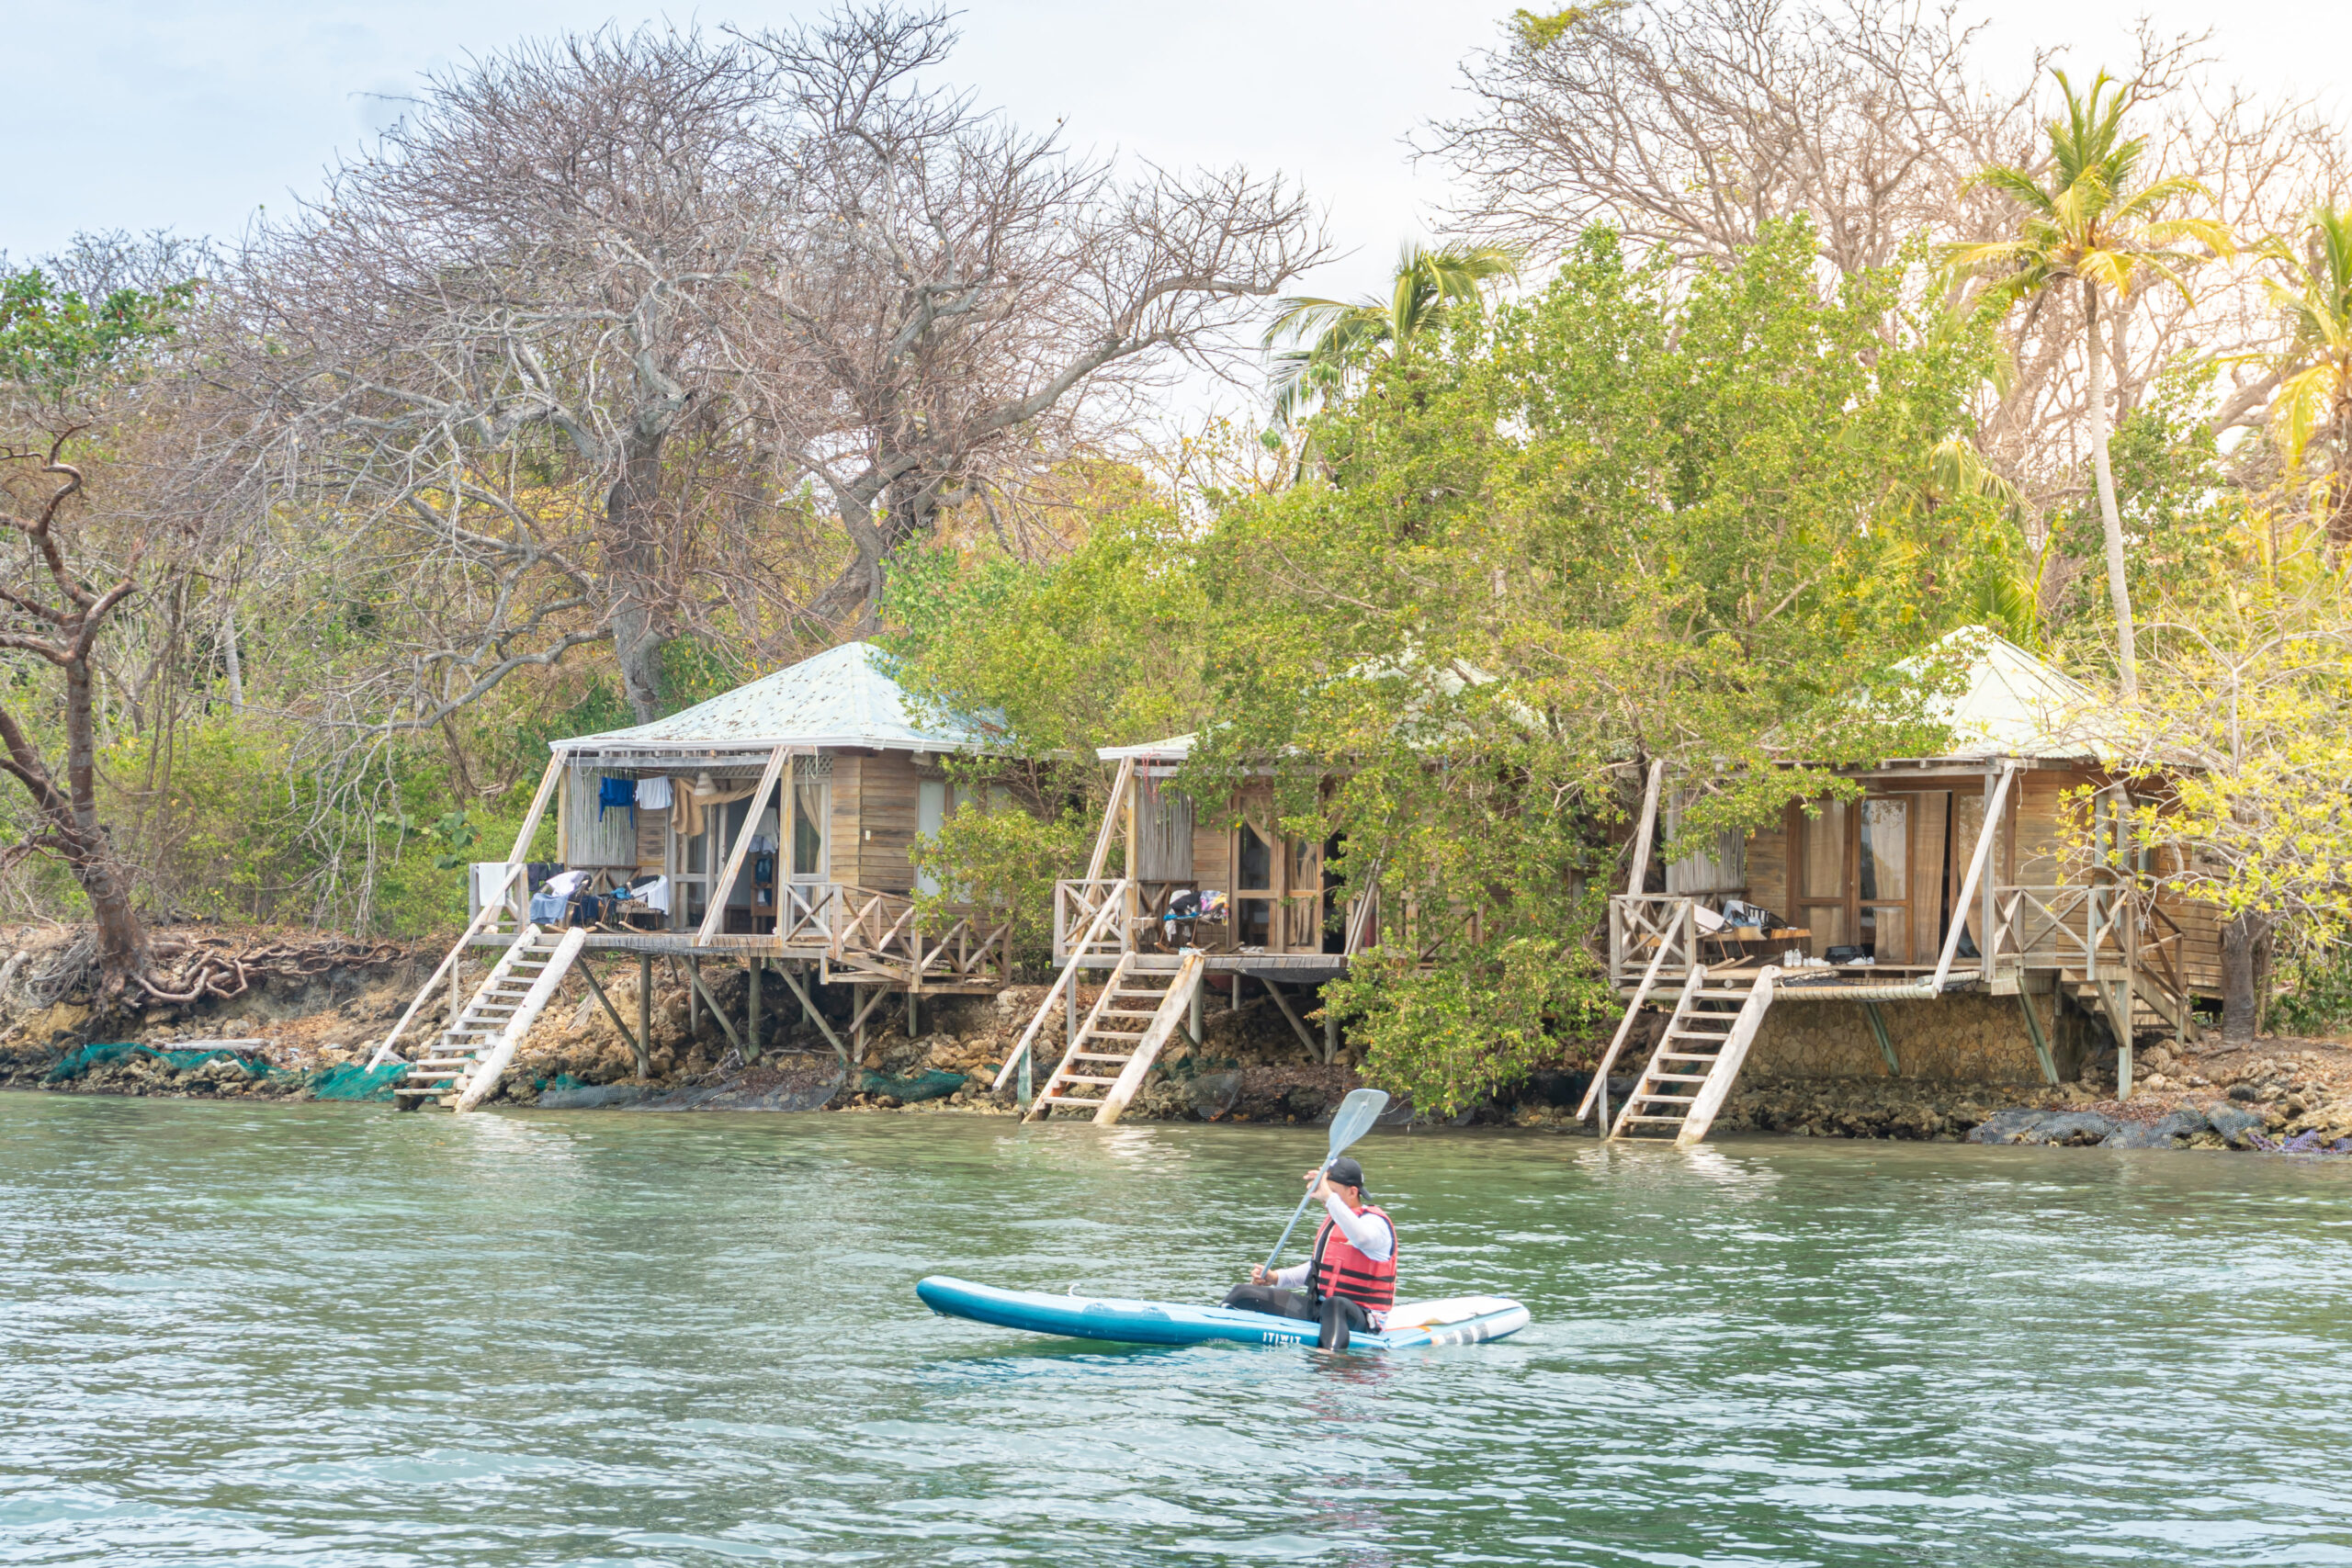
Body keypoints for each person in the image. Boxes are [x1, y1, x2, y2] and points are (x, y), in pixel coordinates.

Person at [1221, 1156, 1396, 1350]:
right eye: (1324, 1191)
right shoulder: (1335, 1221)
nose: (1324, 1197)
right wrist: (1276, 1277)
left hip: (1363, 1320)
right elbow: (1317, 1268)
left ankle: (1327, 1362)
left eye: (1331, 1192)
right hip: (1319, 1310)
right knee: (1243, 1293)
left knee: (1335, 1304)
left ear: (1353, 1192)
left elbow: (1362, 1239)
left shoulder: (1375, 1223)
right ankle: (1213, 1332)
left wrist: (1330, 1199)